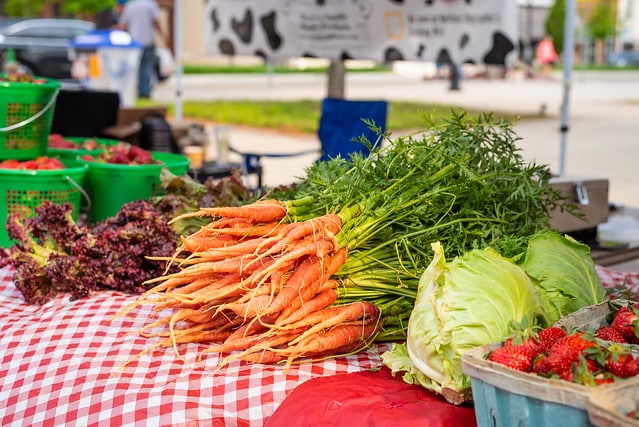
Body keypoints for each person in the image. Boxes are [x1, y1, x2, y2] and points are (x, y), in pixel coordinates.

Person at [118, 0, 165, 99]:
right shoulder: (151, 5)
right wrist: (163, 36)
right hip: (147, 40)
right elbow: (156, 22)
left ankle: (138, 90)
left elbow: (124, 24)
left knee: (135, 67)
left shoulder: (130, 6)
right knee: (147, 67)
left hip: (134, 42)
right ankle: (145, 92)